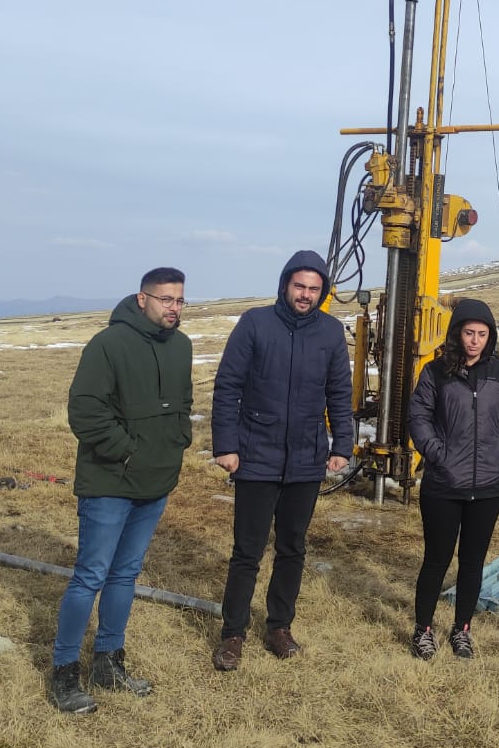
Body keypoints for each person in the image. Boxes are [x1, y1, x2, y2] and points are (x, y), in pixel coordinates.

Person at [49, 267, 193, 714]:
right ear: (141, 299)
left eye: (180, 300)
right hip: (110, 481)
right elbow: (85, 411)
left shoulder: (182, 347)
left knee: (125, 574)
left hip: (155, 483)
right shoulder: (108, 344)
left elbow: (183, 404)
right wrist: (127, 452)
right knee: (90, 575)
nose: (174, 308)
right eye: (165, 299)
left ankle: (109, 663)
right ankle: (64, 671)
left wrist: (175, 443)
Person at [210, 250, 352, 670]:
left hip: (306, 458)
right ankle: (233, 634)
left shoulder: (329, 333)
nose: (305, 295)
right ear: (285, 285)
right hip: (256, 454)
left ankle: (279, 627)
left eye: (313, 288)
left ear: (322, 291)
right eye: (299, 286)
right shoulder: (255, 324)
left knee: (292, 547)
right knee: (246, 551)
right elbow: (227, 386)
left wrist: (341, 444)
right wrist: (226, 445)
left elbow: (339, 394)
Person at [407, 298, 499, 660]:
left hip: (487, 486)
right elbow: (418, 418)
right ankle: (423, 629)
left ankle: (462, 630)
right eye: (469, 333)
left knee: (473, 562)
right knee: (437, 560)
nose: (475, 340)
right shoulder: (434, 371)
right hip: (443, 485)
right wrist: (438, 455)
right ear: (457, 333)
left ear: (490, 337)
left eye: (482, 334)